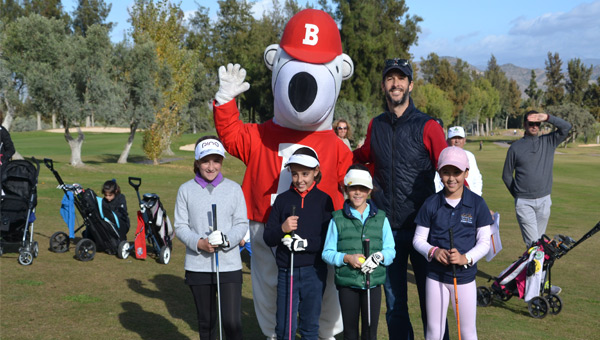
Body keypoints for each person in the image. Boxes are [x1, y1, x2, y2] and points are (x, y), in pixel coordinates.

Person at [353, 58, 448, 340]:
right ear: (384, 85)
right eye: (390, 79)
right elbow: (359, 159)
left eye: (401, 78)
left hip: (424, 229)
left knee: (432, 304)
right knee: (395, 306)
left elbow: (448, 171)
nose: (396, 84)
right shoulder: (376, 125)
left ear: (410, 84)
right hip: (387, 230)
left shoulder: (429, 125)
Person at [413, 146, 493, 340]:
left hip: (464, 277)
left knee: (467, 332)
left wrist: (466, 257)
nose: (451, 178)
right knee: (434, 331)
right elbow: (418, 239)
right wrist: (434, 251)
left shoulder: (477, 203)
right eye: (446, 172)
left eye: (457, 172)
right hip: (436, 277)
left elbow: (484, 242)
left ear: (466, 172)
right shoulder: (431, 203)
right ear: (439, 173)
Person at [174, 136, 249, 340]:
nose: (211, 166)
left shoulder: (234, 189)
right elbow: (180, 226)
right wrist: (199, 243)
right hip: (198, 266)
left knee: (232, 322)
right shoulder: (185, 190)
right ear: (197, 162)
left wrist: (226, 240)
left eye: (216, 160)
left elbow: (242, 223)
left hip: (229, 265)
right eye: (206, 161)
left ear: (221, 162)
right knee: (206, 323)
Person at [263, 147, 333, 340]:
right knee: (286, 327)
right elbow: (268, 237)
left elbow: (328, 240)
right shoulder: (282, 200)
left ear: (316, 172)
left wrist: (306, 244)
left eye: (305, 174)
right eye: (294, 174)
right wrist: (283, 229)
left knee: (310, 327)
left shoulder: (324, 201)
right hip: (288, 270)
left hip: (314, 271)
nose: (300, 180)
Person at [322, 164, 396, 340]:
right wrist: (347, 258)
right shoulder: (337, 219)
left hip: (373, 283)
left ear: (369, 191)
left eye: (362, 189)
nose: (357, 193)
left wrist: (379, 256)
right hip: (348, 283)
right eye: (353, 188)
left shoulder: (381, 218)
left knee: (370, 333)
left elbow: (391, 250)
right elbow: (327, 252)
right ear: (346, 189)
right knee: (350, 332)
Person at [502, 110, 572, 248]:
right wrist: (518, 195)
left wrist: (547, 117)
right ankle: (535, 269)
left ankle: (537, 270)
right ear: (524, 124)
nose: (534, 126)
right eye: (531, 123)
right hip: (524, 203)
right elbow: (506, 175)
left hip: (544, 201)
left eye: (537, 123)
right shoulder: (515, 148)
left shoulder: (548, 141)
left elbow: (566, 127)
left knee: (540, 245)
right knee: (534, 246)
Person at [434, 126, 483, 196]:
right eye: (454, 138)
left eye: (460, 138)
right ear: (447, 140)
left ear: (464, 140)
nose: (457, 141)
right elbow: (437, 180)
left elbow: (476, 179)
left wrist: (475, 197)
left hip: (469, 198)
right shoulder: (442, 156)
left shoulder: (470, 156)